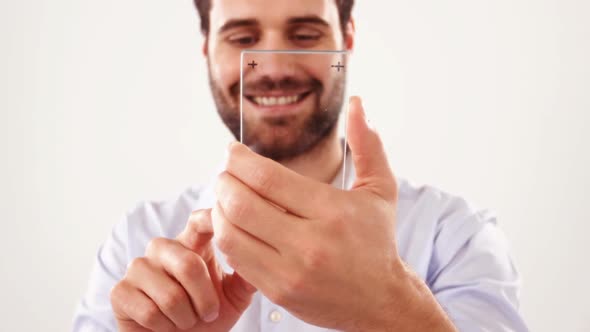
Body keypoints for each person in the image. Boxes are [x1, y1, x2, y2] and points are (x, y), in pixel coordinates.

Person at [73, 0, 529, 331]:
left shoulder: (454, 236)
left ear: (347, 37)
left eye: (306, 34)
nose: (273, 66)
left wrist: (390, 306)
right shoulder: (139, 242)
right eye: (243, 38)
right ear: (206, 48)